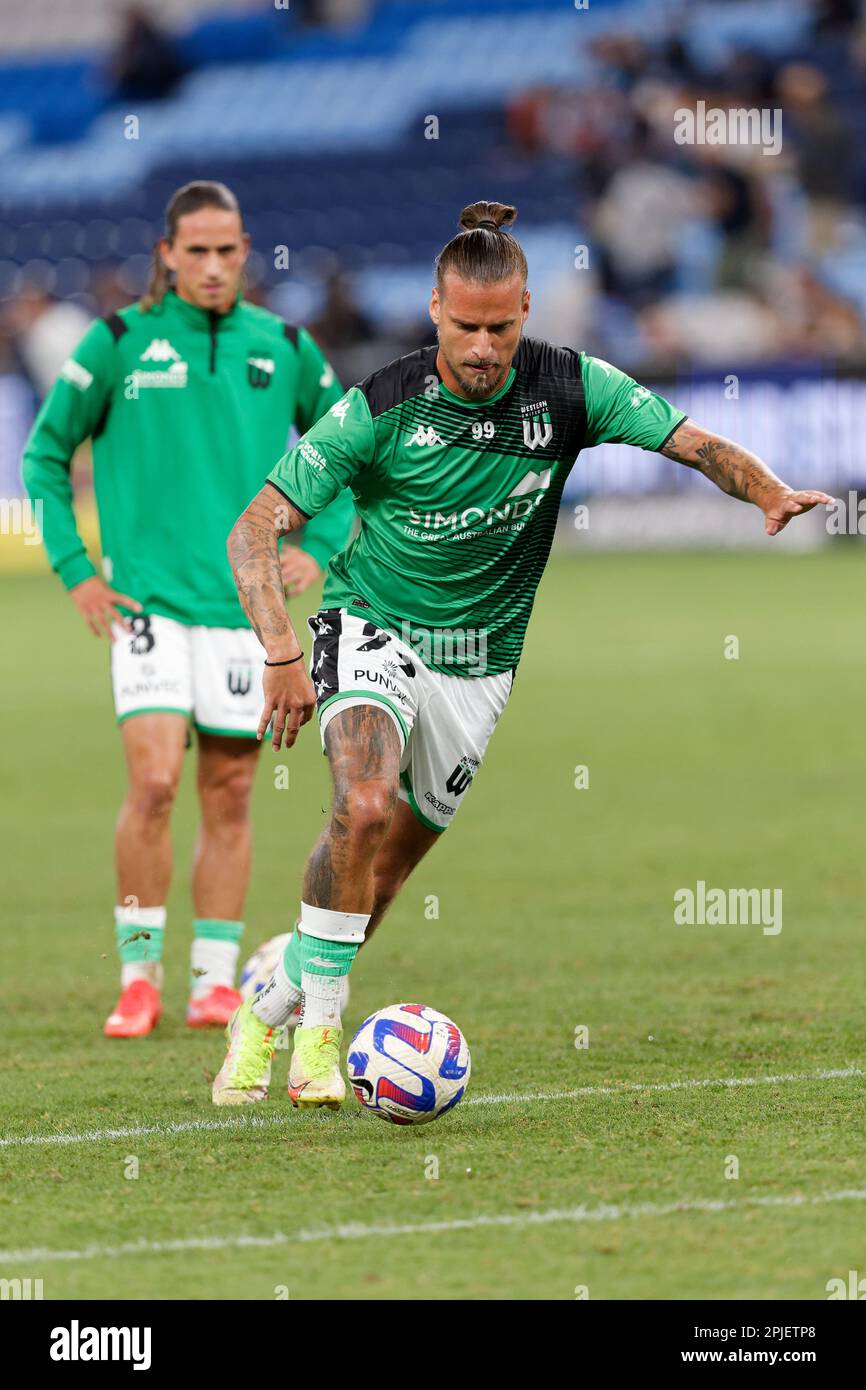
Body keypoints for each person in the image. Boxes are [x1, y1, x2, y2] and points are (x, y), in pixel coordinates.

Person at [211, 200, 831, 1107]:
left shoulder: (573, 387)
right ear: (434, 309)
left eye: (501, 326)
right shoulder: (381, 403)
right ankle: (317, 1038)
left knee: (380, 882)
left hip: (482, 663)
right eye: (465, 325)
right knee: (364, 802)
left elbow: (691, 442)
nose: (482, 346)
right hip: (371, 622)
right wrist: (279, 651)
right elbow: (255, 528)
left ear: (527, 312)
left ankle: (264, 1010)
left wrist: (766, 490)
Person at [22, 181, 354, 1038]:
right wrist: (76, 568)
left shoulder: (282, 346)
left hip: (244, 612)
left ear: (246, 253)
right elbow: (45, 455)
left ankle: (213, 980)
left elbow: (356, 450)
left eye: (227, 250)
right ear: (166, 255)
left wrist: (316, 546)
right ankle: (138, 978)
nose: (212, 266)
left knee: (233, 789)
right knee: (157, 781)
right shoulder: (120, 341)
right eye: (195, 251)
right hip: (149, 606)